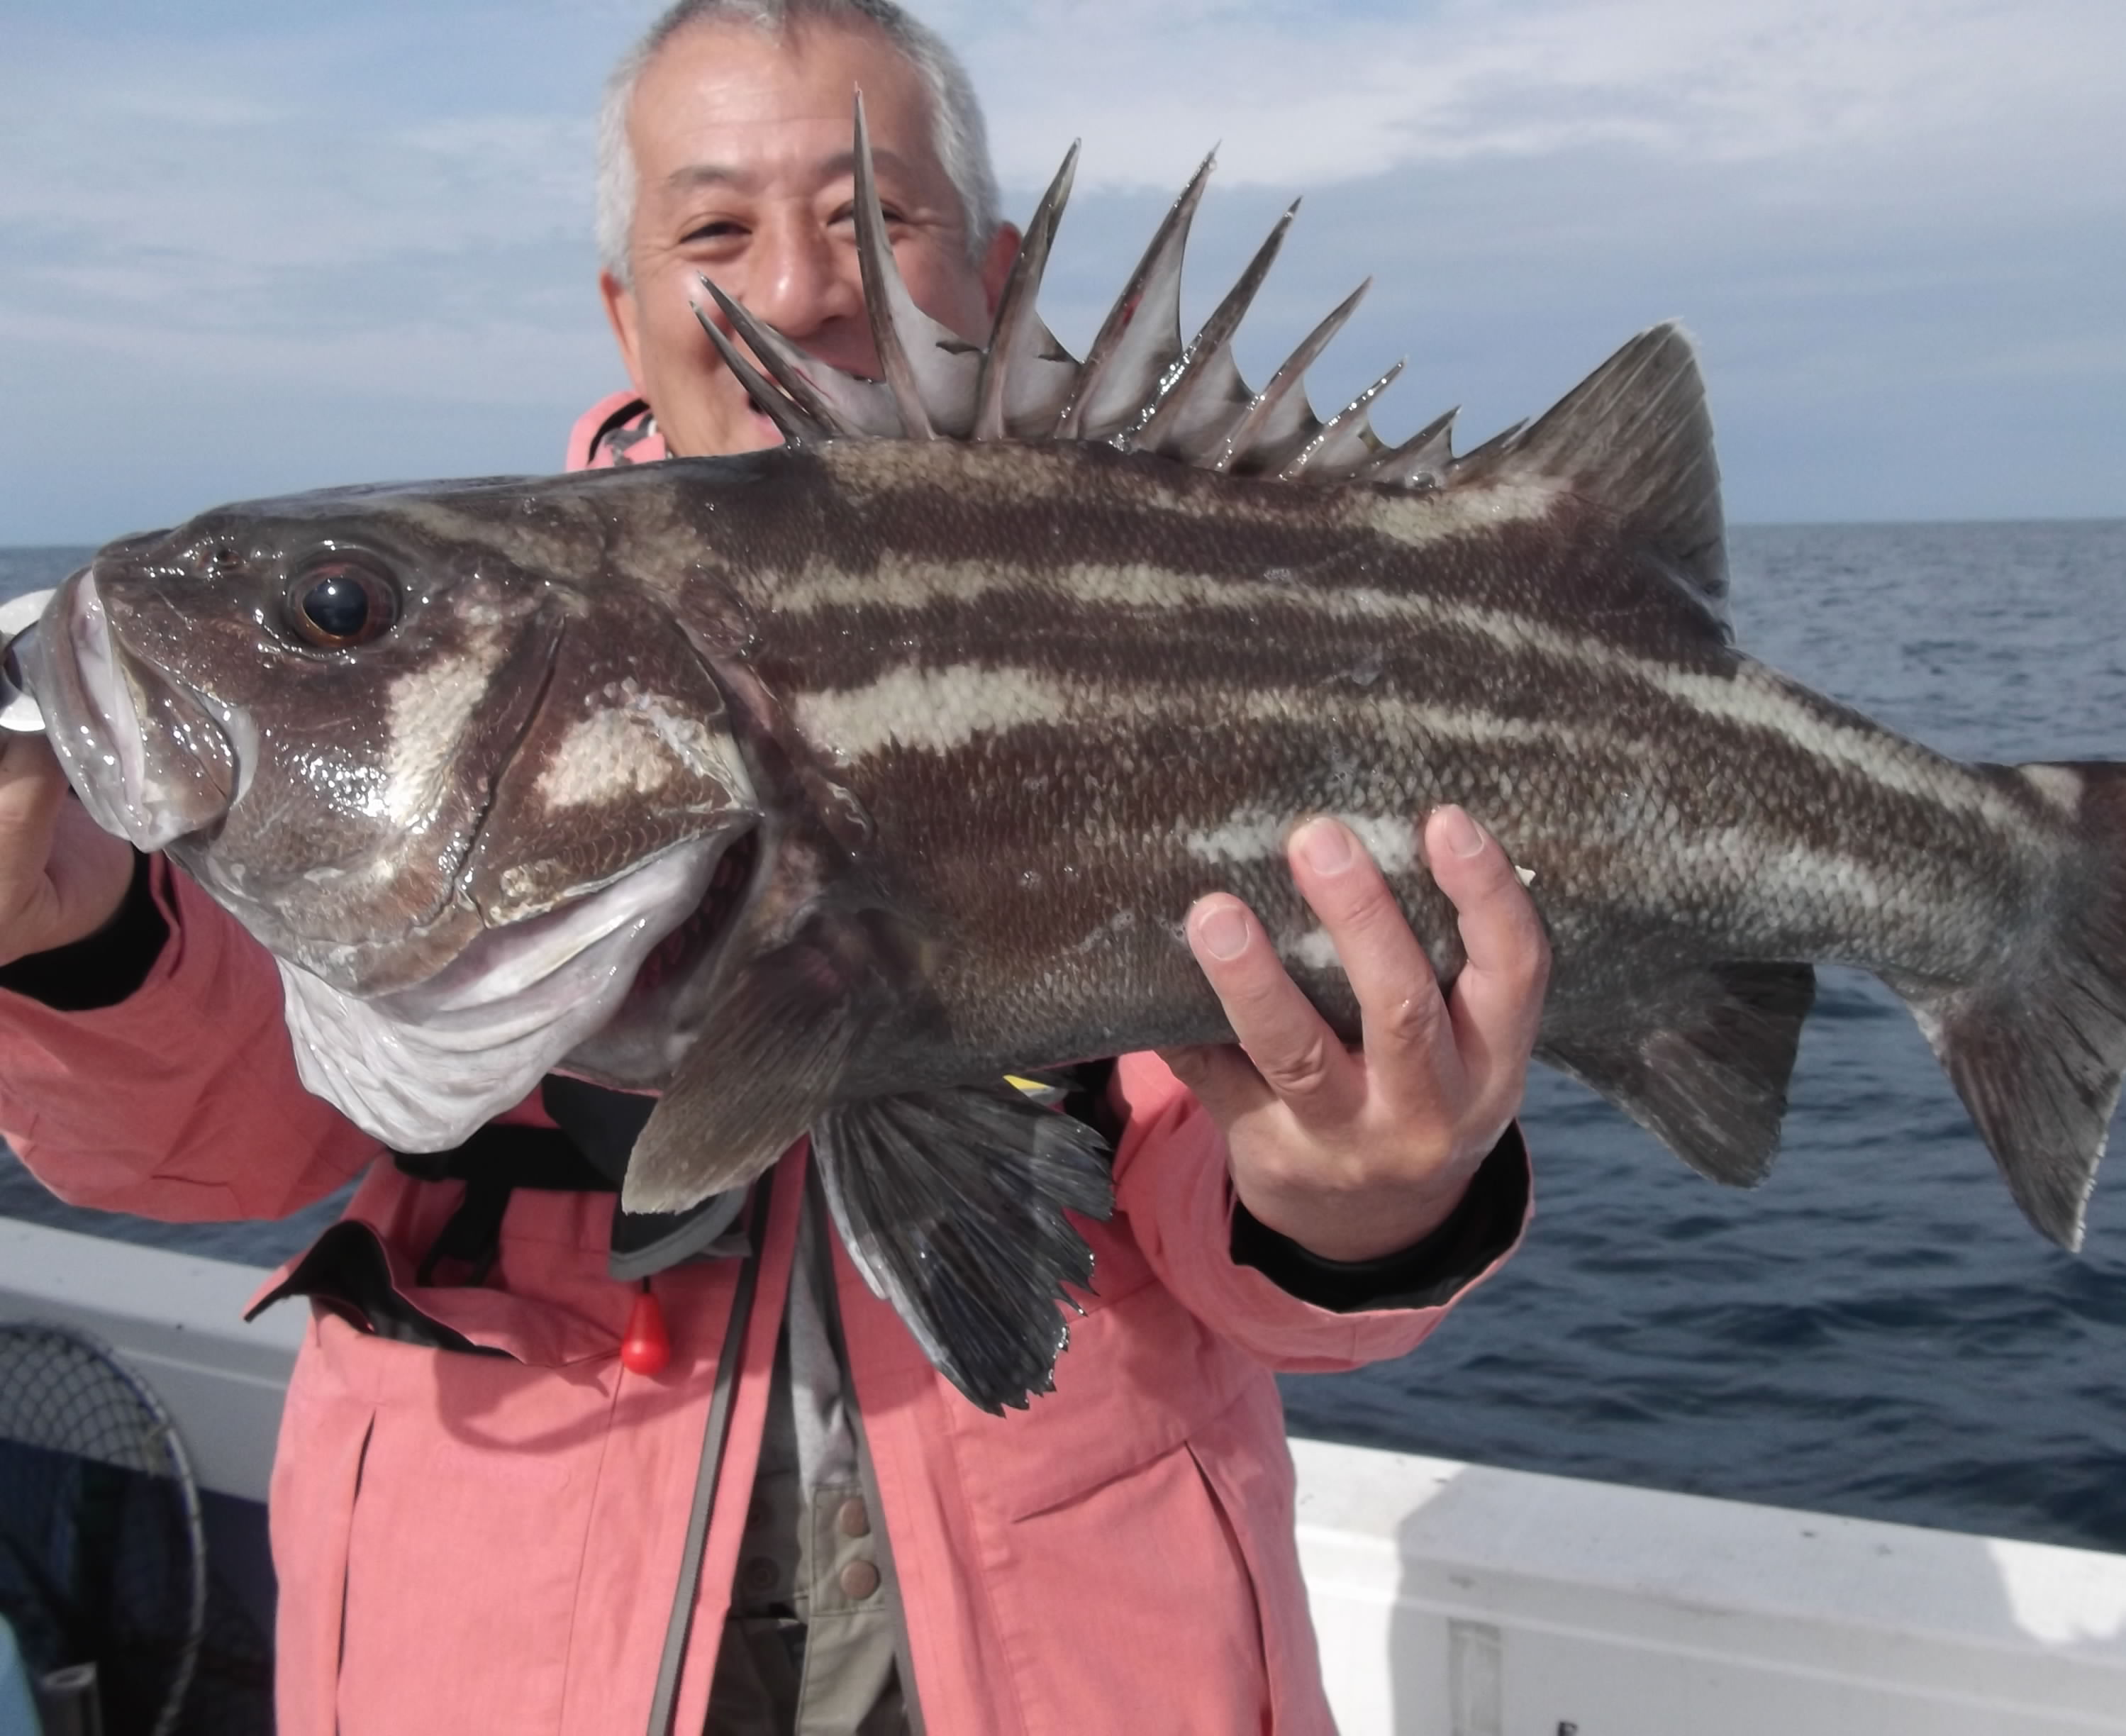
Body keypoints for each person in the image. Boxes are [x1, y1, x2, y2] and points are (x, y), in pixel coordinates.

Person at [0, 1, 1548, 1730]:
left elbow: (1213, 1179)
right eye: (714, 227)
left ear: (997, 265)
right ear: (627, 304)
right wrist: (62, 946)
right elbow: (232, 1139)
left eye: (875, 216)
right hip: (508, 1643)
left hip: (1072, 1646)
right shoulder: (479, 668)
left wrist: (1365, 1201)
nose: (797, 289)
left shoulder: (1203, 608)